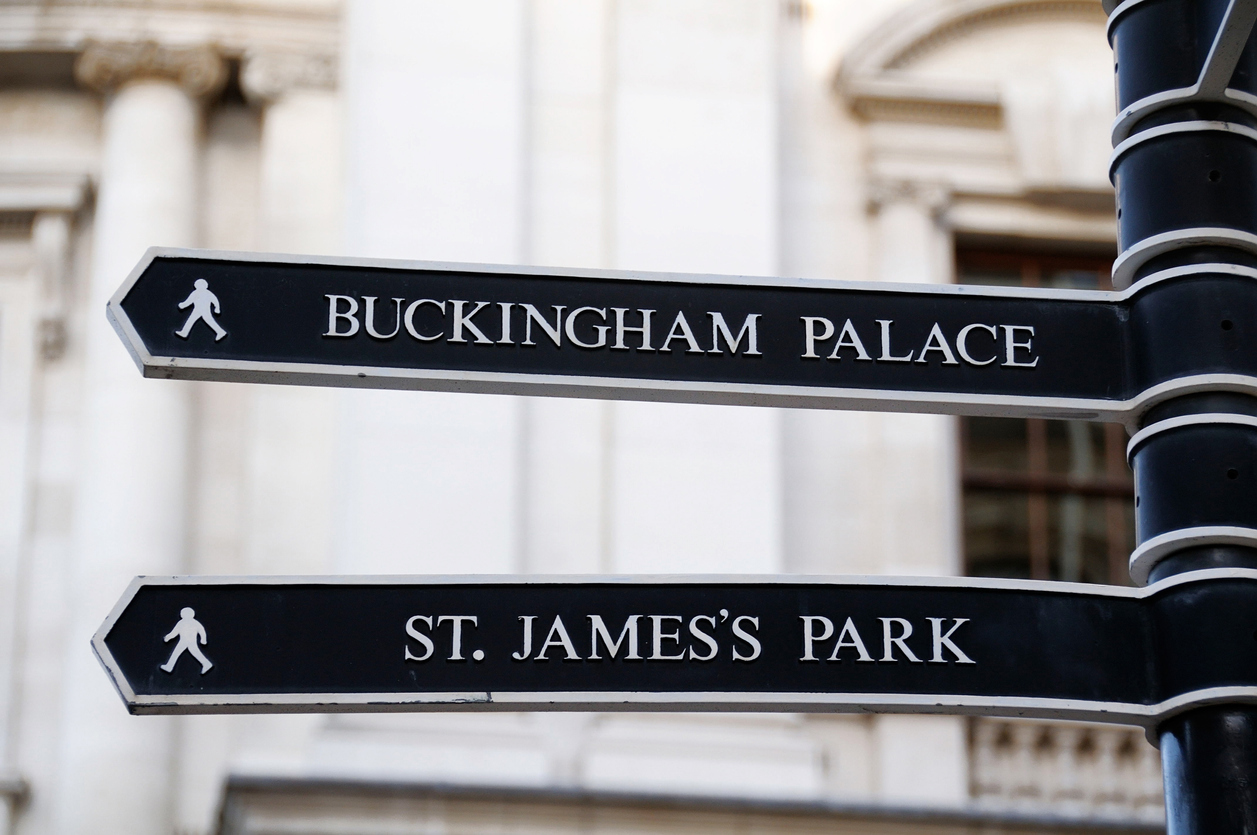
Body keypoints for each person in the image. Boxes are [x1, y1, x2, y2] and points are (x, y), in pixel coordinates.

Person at [160, 607, 213, 674]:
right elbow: (202, 631)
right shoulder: (193, 622)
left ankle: (169, 667)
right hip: (187, 641)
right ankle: (206, 664)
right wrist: (203, 640)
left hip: (186, 642)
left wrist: (168, 638)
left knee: (176, 653)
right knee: (193, 653)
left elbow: (174, 633)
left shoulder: (182, 622)